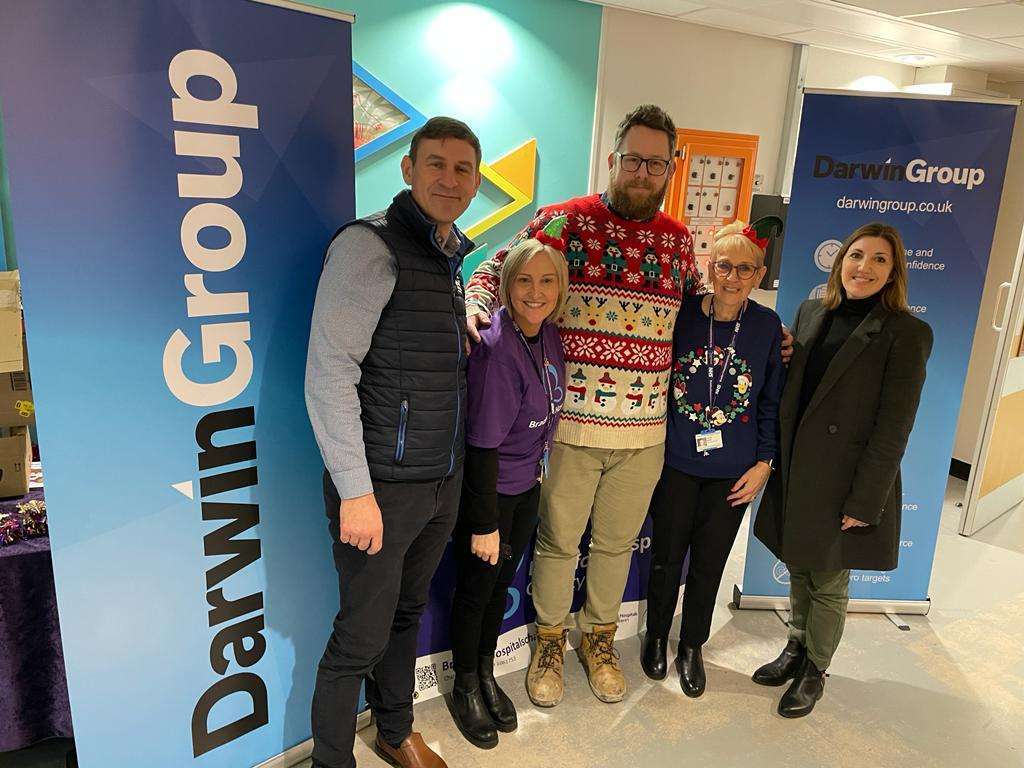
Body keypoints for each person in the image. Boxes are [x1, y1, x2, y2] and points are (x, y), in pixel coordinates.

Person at [465, 104, 706, 707]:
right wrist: (472, 306)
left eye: (656, 162)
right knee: (557, 544)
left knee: (615, 545)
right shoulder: (565, 222)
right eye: (633, 159)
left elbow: (707, 308)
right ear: (613, 159)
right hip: (570, 426)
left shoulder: (679, 241)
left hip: (645, 431)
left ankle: (597, 639)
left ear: (670, 169)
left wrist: (766, 334)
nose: (642, 171)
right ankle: (548, 641)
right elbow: (497, 269)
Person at [305, 116, 482, 768]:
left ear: (476, 181)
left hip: (440, 479)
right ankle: (332, 761)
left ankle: (394, 730)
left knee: (407, 615)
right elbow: (328, 373)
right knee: (358, 637)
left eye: (463, 168)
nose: (449, 178)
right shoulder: (368, 247)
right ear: (408, 170)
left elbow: (413, 343)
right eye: (435, 163)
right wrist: (355, 491)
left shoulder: (447, 254)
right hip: (380, 485)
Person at [752, 221, 932, 718]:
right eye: (856, 255)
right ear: (840, 261)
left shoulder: (908, 333)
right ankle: (795, 645)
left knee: (828, 579)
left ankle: (816, 668)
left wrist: (865, 500)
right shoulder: (812, 311)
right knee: (798, 562)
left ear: (894, 272)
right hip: (798, 465)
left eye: (879, 260)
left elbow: (895, 425)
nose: (864, 267)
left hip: (846, 478)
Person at [641, 219, 785, 697]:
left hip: (735, 473)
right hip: (678, 463)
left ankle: (691, 646)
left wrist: (765, 462)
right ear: (709, 267)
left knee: (709, 563)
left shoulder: (766, 327)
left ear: (759, 275)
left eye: (746, 269)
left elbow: (769, 401)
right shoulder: (681, 316)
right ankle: (658, 635)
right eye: (724, 265)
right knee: (666, 556)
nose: (733, 276)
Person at [447, 224, 569, 748]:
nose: (535, 292)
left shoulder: (549, 336)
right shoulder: (497, 345)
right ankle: (465, 685)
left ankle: (486, 674)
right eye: (524, 281)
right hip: (491, 493)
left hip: (527, 487)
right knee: (476, 592)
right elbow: (481, 445)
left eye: (546, 281)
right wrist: (484, 522)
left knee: (499, 590)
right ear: (506, 285)